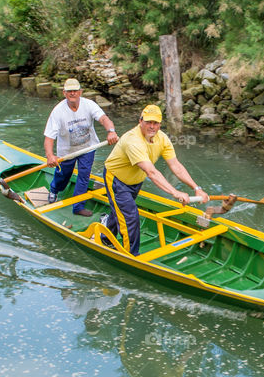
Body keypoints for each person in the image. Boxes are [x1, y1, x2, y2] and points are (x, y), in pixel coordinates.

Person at [100, 104, 208, 255]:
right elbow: (151, 172)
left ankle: (105, 234)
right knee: (130, 216)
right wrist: (175, 192)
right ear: (140, 121)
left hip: (136, 180)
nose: (152, 126)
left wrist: (197, 188)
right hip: (117, 179)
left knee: (122, 209)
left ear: (160, 124)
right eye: (148, 122)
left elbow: (176, 165)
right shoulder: (133, 141)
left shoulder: (162, 139)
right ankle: (131, 255)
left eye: (155, 123)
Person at [44, 78, 118, 217]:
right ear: (64, 93)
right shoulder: (58, 111)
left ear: (80, 92)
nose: (73, 94)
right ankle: (54, 190)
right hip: (67, 152)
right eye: (69, 91)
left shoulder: (89, 104)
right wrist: (50, 156)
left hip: (87, 148)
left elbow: (103, 119)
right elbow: (49, 137)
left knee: (84, 176)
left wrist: (111, 131)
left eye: (75, 91)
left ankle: (78, 206)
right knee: (63, 176)